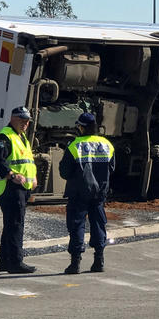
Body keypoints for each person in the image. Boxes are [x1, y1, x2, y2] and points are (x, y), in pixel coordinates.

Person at [59, 112, 115, 274]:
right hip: (99, 193)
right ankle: (99, 261)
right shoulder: (107, 144)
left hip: (78, 193)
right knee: (98, 224)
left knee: (77, 225)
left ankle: (75, 263)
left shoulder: (74, 145)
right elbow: (112, 169)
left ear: (82, 127)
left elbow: (64, 172)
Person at [0, 106, 38, 273]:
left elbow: (27, 162)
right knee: (16, 225)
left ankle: (4, 261)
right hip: (10, 187)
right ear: (13, 118)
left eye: (27, 121)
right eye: (22, 120)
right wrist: (11, 175)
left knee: (11, 224)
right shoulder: (5, 136)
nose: (25, 124)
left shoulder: (21, 136)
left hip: (21, 187)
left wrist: (33, 179)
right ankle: (15, 262)